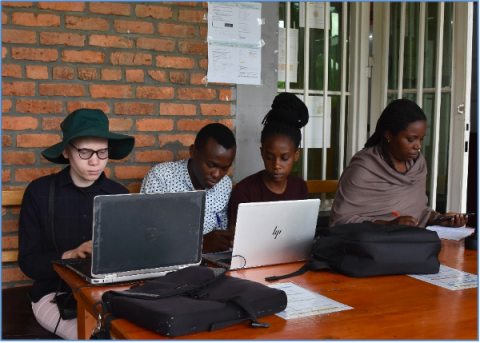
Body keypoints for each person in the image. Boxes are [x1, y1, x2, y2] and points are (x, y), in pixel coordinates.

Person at [18, 109, 135, 340]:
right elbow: (28, 262)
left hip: (111, 293)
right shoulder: (39, 192)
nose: (95, 161)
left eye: (102, 152)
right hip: (55, 295)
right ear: (65, 150)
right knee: (97, 337)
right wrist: (69, 254)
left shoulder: (118, 194)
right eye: (84, 151)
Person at [329, 98, 468, 228]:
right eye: (411, 139)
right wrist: (387, 225)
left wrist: (440, 219)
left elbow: (419, 212)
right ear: (389, 135)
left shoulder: (417, 166)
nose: (418, 146)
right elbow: (340, 220)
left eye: (421, 139)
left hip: (410, 243)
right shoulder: (363, 169)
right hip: (369, 249)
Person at [141, 123, 236, 253]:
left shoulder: (224, 184)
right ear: (193, 152)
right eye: (210, 165)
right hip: (170, 265)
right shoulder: (161, 178)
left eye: (224, 168)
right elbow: (148, 237)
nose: (217, 175)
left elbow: (223, 232)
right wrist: (199, 245)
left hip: (213, 263)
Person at [228, 92, 309, 233]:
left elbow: (302, 231)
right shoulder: (244, 191)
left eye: (284, 158)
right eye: (270, 157)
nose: (276, 165)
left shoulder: (300, 188)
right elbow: (237, 238)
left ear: (296, 155)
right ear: (262, 153)